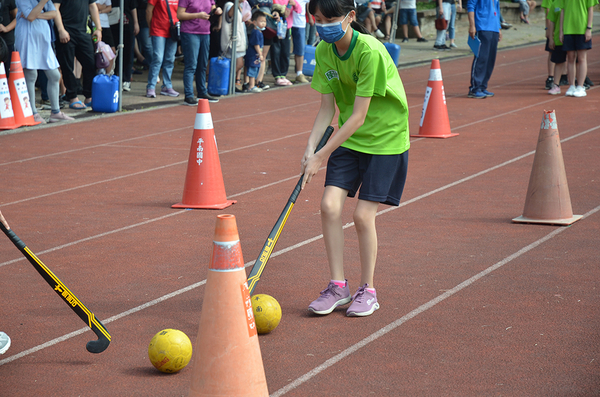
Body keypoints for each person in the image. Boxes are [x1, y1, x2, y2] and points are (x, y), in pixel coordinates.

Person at [301, 0, 409, 317]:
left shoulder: (370, 52)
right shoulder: (323, 51)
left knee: (363, 216)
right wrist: (310, 148)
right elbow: (326, 108)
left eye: (329, 19)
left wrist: (322, 155)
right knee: (329, 206)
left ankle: (369, 290)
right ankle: (338, 287)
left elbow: (359, 116)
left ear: (350, 17)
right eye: (317, 19)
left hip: (384, 137)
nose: (322, 25)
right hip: (349, 136)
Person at [16, 0, 74, 123]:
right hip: (27, 36)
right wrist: (42, 3)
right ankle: (32, 113)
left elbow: (53, 13)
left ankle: (55, 112)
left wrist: (38, 14)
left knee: (54, 75)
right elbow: (30, 17)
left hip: (43, 38)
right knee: (31, 75)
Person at [53, 0, 103, 109]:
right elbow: (55, 8)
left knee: (90, 63)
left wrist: (98, 28)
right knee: (67, 66)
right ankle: (72, 97)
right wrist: (61, 29)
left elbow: (92, 6)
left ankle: (89, 95)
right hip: (66, 30)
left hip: (83, 32)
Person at [178, 0, 222, 104]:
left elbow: (212, 7)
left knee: (202, 64)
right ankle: (189, 95)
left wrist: (216, 10)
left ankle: (202, 91)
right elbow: (179, 14)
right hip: (190, 32)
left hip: (205, 31)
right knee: (191, 65)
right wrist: (197, 15)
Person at [557, 0, 597, 98]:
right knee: (570, 58)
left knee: (581, 58)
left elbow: (590, 9)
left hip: (581, 28)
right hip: (568, 28)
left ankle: (580, 86)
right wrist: (561, 30)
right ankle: (572, 85)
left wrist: (589, 28)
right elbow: (562, 11)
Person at [467, 0, 501, 98]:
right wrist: (472, 25)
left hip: (493, 28)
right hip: (482, 27)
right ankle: (475, 88)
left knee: (490, 59)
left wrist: (498, 28)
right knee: (481, 57)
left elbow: (497, 10)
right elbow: (470, 6)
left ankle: (482, 86)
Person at [146, 0, 180, 98]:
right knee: (158, 58)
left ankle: (167, 86)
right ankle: (151, 86)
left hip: (173, 30)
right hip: (158, 29)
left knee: (170, 58)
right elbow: (148, 11)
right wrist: (151, 27)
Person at [220, 0, 246, 91]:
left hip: (239, 40)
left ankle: (228, 84)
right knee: (237, 64)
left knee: (237, 64)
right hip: (232, 41)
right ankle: (225, 83)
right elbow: (229, 15)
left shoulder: (241, 5)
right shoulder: (229, 5)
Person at [546, 0, 566, 95]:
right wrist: (551, 38)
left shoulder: (571, 3)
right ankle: (556, 85)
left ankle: (576, 84)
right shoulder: (555, 3)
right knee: (558, 61)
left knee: (573, 60)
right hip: (558, 38)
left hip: (571, 35)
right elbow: (552, 22)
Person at [244, 10, 265, 92]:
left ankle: (252, 85)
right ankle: (251, 86)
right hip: (253, 55)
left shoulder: (259, 32)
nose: (263, 23)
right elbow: (256, 44)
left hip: (256, 55)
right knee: (252, 69)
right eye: (261, 21)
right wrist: (260, 54)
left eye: (264, 21)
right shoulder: (256, 32)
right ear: (254, 22)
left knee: (255, 69)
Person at [291, 0, 309, 83]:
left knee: (300, 49)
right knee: (286, 49)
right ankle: (281, 75)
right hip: (288, 22)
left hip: (300, 23)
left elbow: (310, 4)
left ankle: (299, 73)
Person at [0, 0, 17, 77]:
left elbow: (17, 18)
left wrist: (6, 28)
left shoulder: (9, 1)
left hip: (7, 40)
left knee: (9, 71)